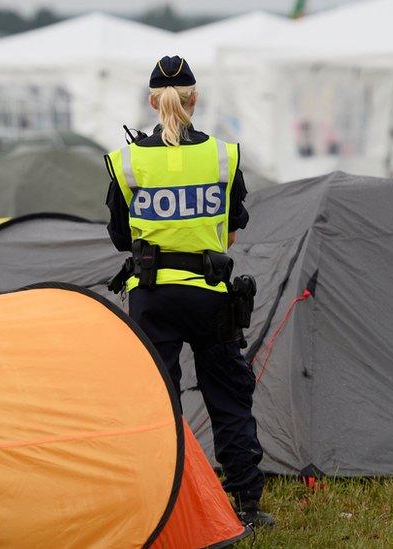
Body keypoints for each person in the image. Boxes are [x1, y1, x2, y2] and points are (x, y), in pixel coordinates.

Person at [104, 55, 273, 529]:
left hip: (151, 296)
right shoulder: (224, 156)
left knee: (158, 400)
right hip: (211, 291)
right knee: (228, 396)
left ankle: (164, 504)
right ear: (195, 99)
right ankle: (245, 504)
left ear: (153, 101)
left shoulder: (127, 161)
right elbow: (233, 228)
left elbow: (121, 236)